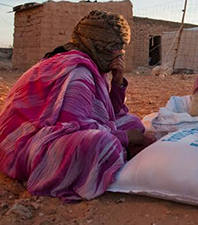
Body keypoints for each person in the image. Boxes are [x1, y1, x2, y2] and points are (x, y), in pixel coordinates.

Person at [0, 10, 155, 202]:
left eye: (121, 50)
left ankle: (120, 153)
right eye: (113, 50)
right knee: (103, 145)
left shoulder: (91, 65)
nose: (118, 56)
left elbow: (110, 115)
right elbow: (71, 127)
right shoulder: (77, 71)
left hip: (59, 131)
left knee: (132, 123)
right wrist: (123, 138)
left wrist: (117, 83)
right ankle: (115, 157)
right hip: (25, 144)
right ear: (96, 46)